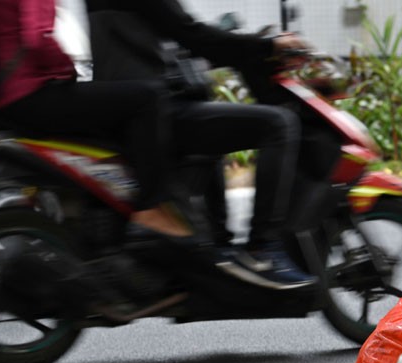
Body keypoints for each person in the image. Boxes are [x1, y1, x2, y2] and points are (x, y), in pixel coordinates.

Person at [84, 0, 317, 290]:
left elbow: (181, 39)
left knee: (212, 119)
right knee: (279, 124)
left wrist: (243, 46)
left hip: (133, 105)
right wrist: (268, 46)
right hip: (152, 111)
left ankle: (219, 246)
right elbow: (193, 35)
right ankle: (263, 249)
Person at [0, 0, 191, 240]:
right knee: (149, 98)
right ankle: (150, 207)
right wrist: (66, 70)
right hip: (28, 97)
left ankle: (91, 216)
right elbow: (37, 39)